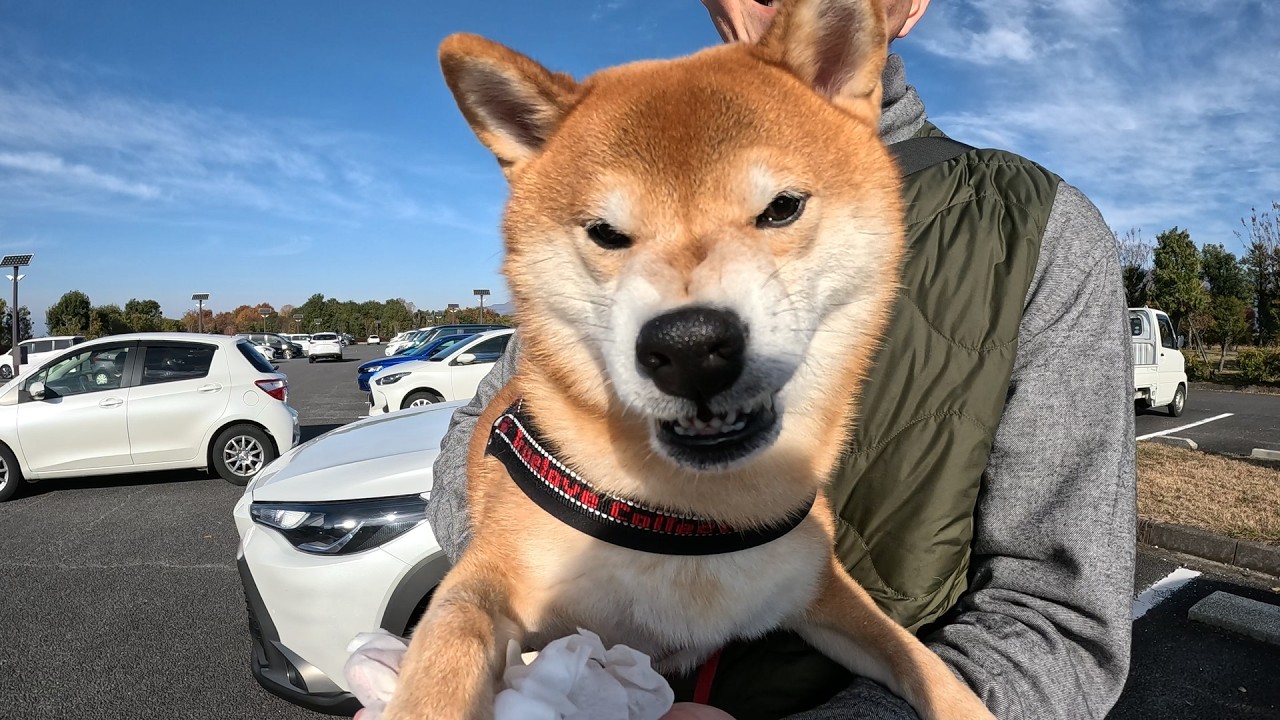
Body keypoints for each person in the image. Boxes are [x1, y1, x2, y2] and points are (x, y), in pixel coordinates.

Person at [425, 1, 1137, 718]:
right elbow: (478, 450)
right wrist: (534, 634)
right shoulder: (581, 187)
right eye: (612, 234)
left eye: (779, 210)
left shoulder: (1036, 236)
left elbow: (1059, 624)